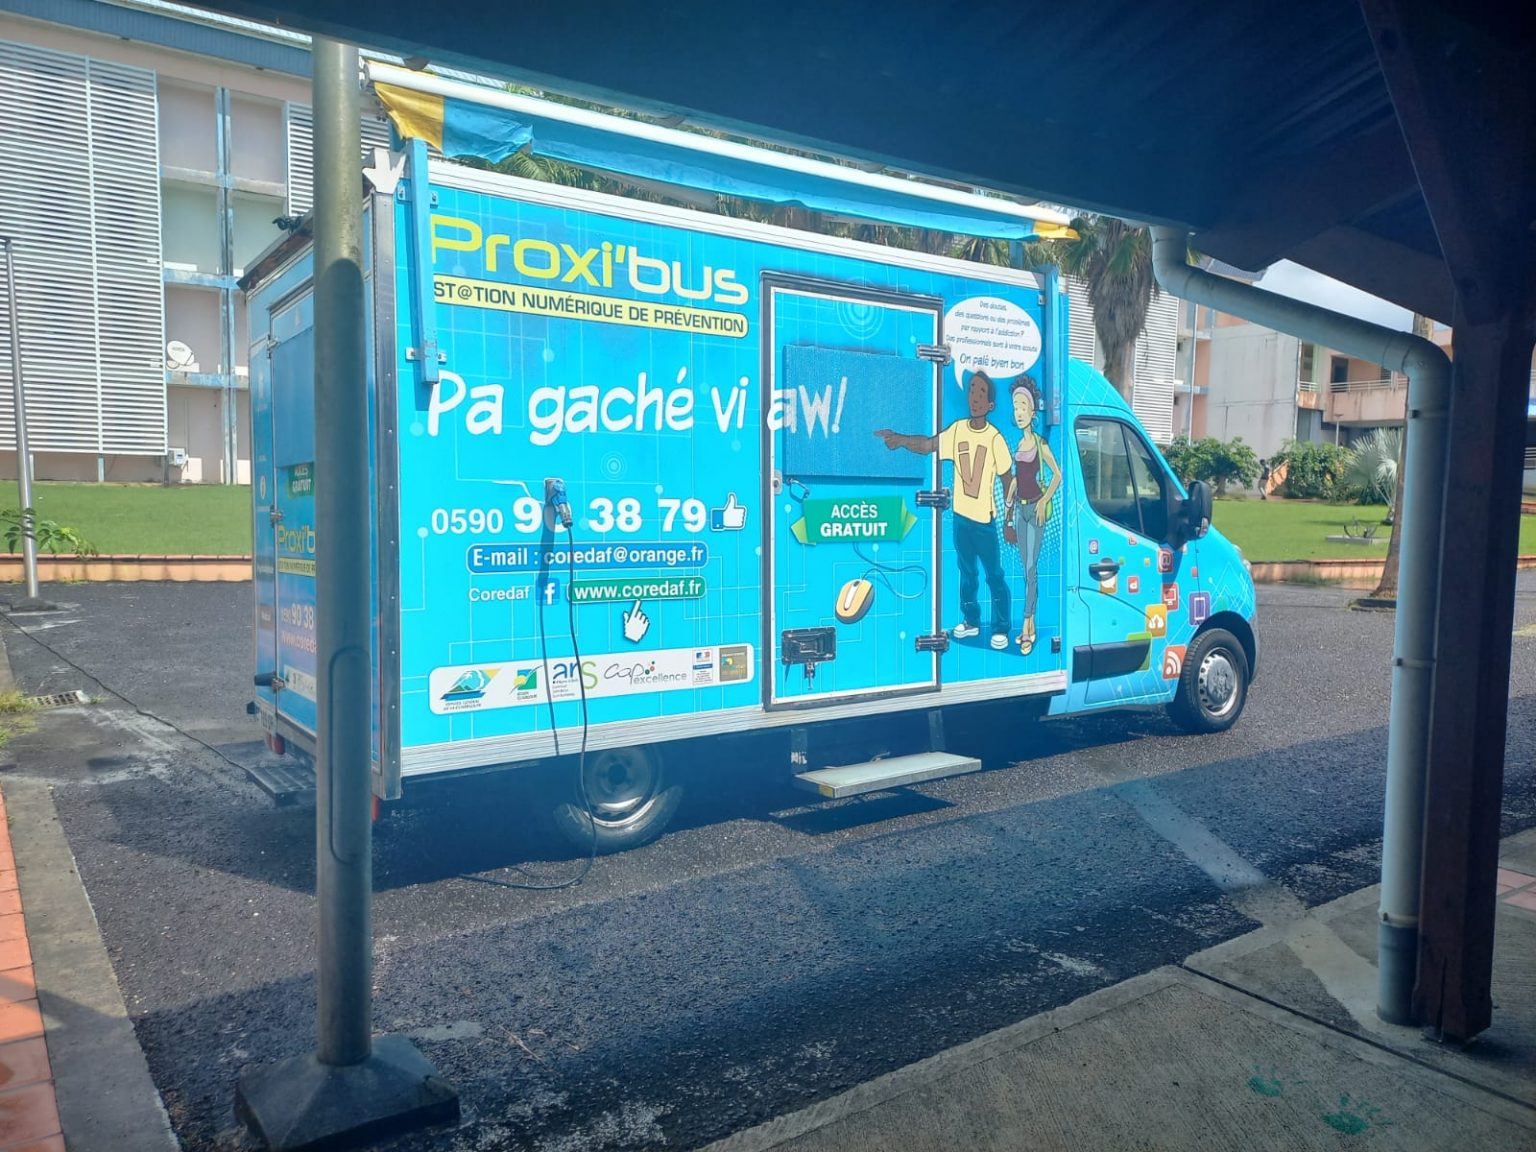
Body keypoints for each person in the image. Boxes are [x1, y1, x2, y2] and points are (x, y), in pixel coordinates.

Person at [876, 370, 1012, 650]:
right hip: (961, 519)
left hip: (984, 521)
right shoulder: (958, 430)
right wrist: (901, 439)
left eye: (981, 393)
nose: (974, 397)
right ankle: (972, 621)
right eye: (972, 390)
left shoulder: (994, 439)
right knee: (967, 573)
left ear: (990, 405)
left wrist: (1009, 520)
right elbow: (928, 445)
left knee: (994, 574)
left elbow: (1008, 481)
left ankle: (1001, 627)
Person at [1002, 375, 1061, 655]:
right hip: (1020, 510)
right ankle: (1031, 623)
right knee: (1026, 568)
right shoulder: (1018, 446)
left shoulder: (1040, 444)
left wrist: (1044, 501)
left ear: (1033, 410)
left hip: (1036, 509)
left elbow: (1057, 475)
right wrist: (1008, 502)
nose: (1018, 412)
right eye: (1015, 407)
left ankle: (1027, 626)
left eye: (1023, 406)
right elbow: (1018, 478)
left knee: (1030, 568)